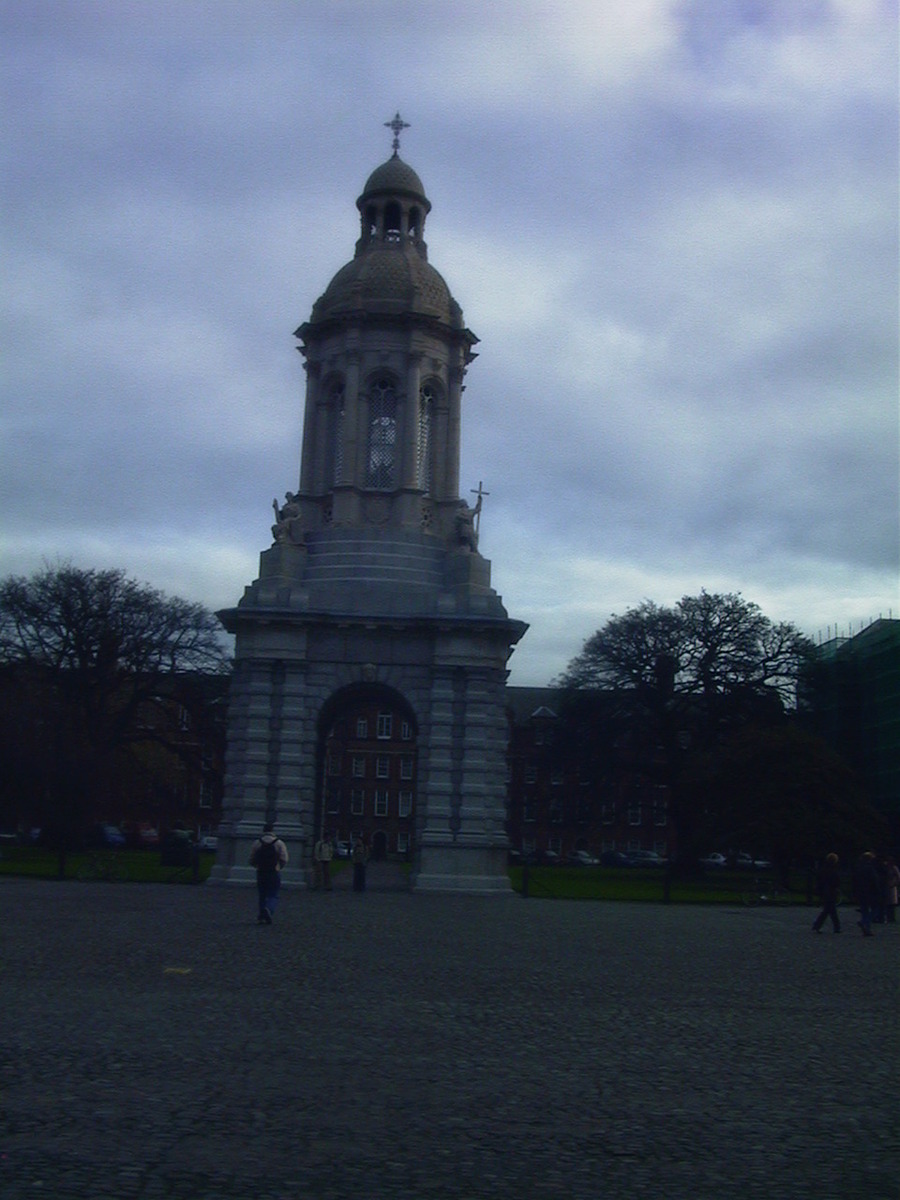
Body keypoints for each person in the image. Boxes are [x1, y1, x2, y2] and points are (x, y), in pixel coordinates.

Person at [249, 822, 288, 924]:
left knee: (262, 894)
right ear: (272, 831)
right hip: (273, 871)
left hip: (261, 871)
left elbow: (252, 858)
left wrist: (256, 866)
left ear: (263, 831)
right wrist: (279, 867)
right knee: (273, 894)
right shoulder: (279, 843)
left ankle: (261, 914)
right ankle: (269, 909)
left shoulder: (257, 842)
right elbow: (284, 859)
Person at [851, 851, 880, 937]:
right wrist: (878, 891)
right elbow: (874, 881)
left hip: (860, 892)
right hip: (870, 892)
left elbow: (854, 881)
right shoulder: (870, 868)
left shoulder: (858, 868)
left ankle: (866, 929)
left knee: (864, 911)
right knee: (875, 910)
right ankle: (865, 923)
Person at [812, 853, 841, 933]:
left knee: (829, 910)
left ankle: (819, 925)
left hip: (824, 891)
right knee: (830, 910)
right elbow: (836, 881)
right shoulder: (833, 870)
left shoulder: (823, 869)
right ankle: (835, 927)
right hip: (830, 892)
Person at [882, 856, 899, 924]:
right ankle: (888, 917)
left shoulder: (894, 868)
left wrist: (894, 883)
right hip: (886, 886)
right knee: (887, 903)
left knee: (892, 903)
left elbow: (898, 877)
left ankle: (891, 917)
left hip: (892, 887)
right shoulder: (885, 867)